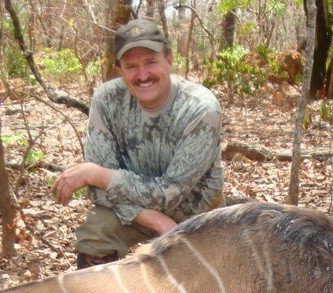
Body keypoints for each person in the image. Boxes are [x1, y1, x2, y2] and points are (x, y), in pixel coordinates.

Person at [54, 19, 224, 268]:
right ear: (119, 69)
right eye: (131, 66)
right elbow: (98, 190)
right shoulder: (107, 99)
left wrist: (98, 175)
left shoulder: (200, 108)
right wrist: (154, 220)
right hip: (137, 210)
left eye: (151, 62)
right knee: (96, 234)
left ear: (169, 59)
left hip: (195, 213)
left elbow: (169, 194)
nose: (143, 75)